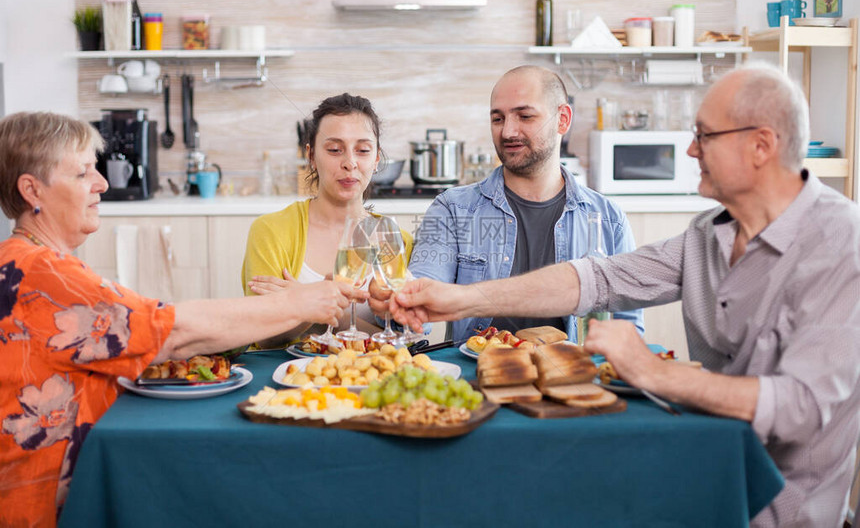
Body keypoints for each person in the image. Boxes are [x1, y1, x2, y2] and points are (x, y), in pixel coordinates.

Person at [388, 63, 860, 527]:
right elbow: (598, 278)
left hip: (780, 510)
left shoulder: (841, 242)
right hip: (704, 471)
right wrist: (464, 300)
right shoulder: (705, 235)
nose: (691, 149)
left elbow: (800, 407)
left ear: (761, 146)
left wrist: (652, 371)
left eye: (705, 135)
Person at [0, 112, 363, 527]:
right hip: (36, 507)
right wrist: (301, 303)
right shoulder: (41, 273)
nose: (102, 183)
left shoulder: (26, 261)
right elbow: (172, 332)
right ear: (32, 191)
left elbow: (144, 327)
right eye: (83, 173)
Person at [372, 65, 642, 344]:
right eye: (498, 119)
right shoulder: (453, 210)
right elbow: (419, 300)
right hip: (477, 380)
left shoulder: (608, 219)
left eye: (524, 116)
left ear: (562, 120)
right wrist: (395, 300)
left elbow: (629, 331)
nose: (508, 131)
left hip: (572, 382)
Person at [242, 93, 412, 347]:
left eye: (363, 150)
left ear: (376, 159)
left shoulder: (397, 240)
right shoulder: (270, 231)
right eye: (334, 150)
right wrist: (318, 304)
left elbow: (403, 342)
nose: (350, 163)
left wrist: (305, 302)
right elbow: (263, 335)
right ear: (311, 156)